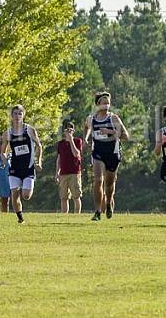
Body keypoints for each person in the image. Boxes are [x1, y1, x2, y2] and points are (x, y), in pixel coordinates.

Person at [85, 91, 129, 221]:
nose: (106, 105)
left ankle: (108, 203)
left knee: (109, 185)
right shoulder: (91, 119)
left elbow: (126, 136)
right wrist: (86, 139)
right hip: (98, 153)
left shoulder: (113, 118)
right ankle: (98, 211)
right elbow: (86, 127)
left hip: (113, 154)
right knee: (98, 180)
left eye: (108, 103)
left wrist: (110, 131)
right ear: (98, 104)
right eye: (104, 102)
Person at [0, 104, 43, 224]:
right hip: (15, 167)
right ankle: (20, 218)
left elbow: (39, 146)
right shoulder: (7, 133)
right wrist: (3, 158)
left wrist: (38, 161)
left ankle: (22, 209)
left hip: (28, 167)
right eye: (15, 113)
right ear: (11, 116)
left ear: (23, 115)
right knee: (14, 192)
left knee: (26, 195)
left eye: (20, 113)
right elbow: (3, 151)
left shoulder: (29, 130)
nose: (17, 116)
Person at [55, 120, 84, 214]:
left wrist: (71, 140)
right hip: (63, 173)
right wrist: (57, 173)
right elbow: (59, 159)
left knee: (76, 196)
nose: (68, 132)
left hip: (74, 172)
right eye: (67, 130)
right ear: (64, 131)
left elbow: (76, 154)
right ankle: (64, 215)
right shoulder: (61, 144)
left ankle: (77, 215)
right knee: (64, 197)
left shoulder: (77, 141)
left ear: (73, 131)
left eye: (70, 130)